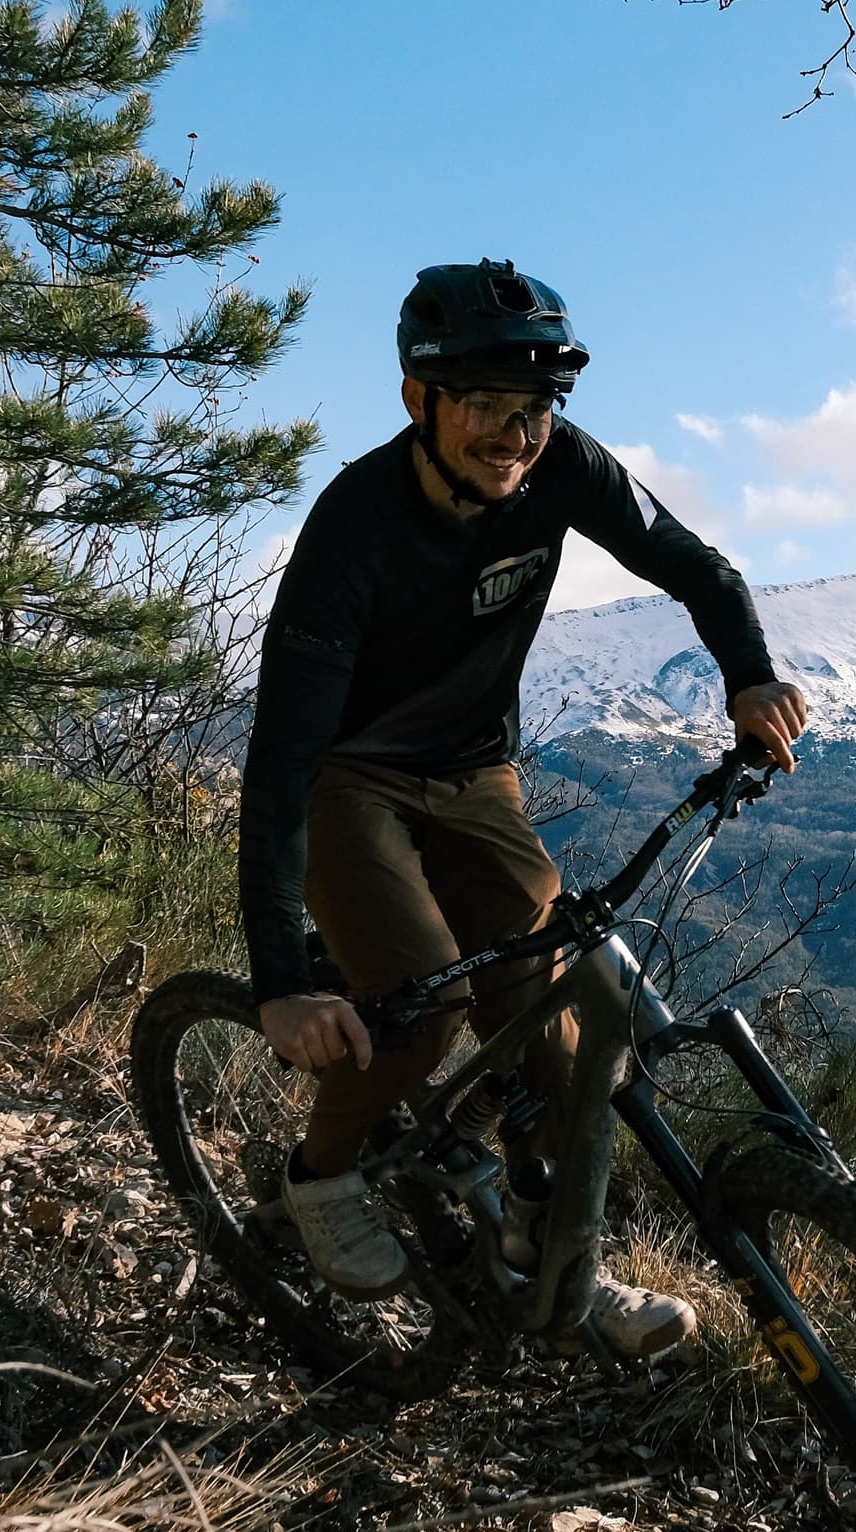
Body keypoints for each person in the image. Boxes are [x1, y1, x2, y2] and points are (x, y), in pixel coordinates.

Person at [236, 260, 811, 1360]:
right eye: (487, 406)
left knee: (562, 1029)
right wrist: (278, 984)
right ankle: (320, 1176)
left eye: (537, 407)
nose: (516, 435)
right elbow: (281, 762)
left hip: (476, 772)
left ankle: (553, 1265)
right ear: (419, 399)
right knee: (421, 998)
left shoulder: (563, 467)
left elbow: (695, 565)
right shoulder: (353, 527)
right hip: (346, 777)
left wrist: (748, 678)